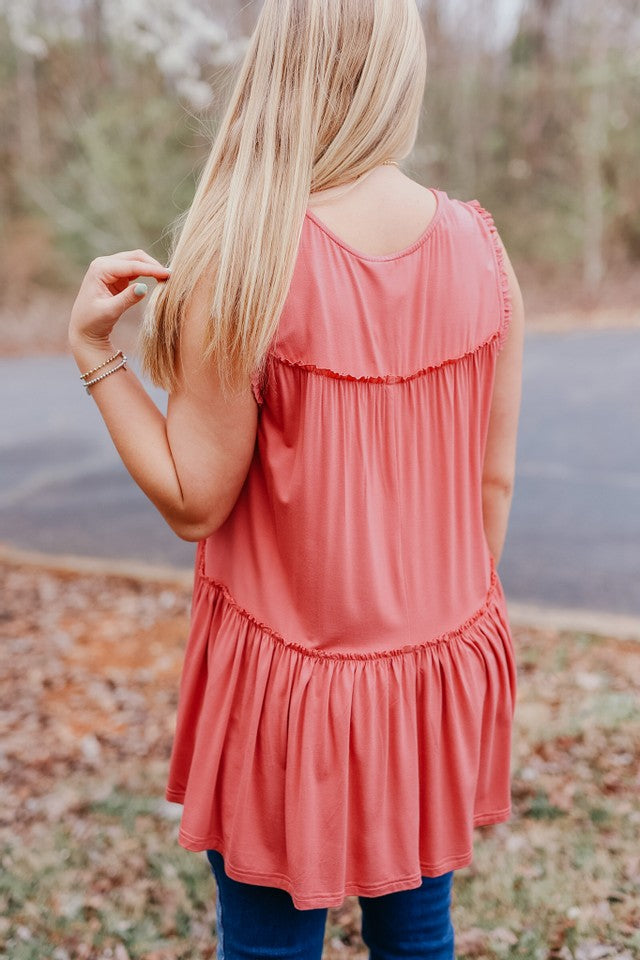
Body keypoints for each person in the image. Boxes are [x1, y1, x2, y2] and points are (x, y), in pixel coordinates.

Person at [67, 0, 524, 956]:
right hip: (430, 674)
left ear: (277, 69)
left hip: (286, 686)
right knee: (418, 934)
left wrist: (95, 356)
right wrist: (427, 632)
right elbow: (494, 486)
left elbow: (195, 500)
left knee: (269, 943)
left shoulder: (245, 256)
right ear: (400, 69)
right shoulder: (482, 249)